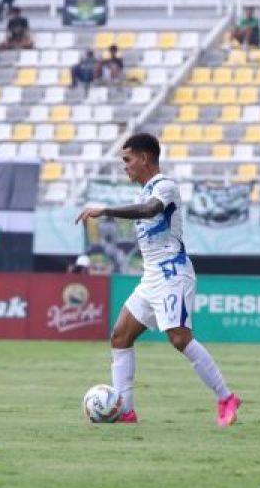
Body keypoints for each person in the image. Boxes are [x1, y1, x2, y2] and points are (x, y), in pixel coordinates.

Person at [75, 134, 241, 426]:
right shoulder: (143, 192)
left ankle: (226, 397)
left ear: (144, 158)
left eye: (127, 160)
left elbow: (151, 210)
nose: (124, 167)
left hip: (172, 273)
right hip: (152, 276)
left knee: (179, 338)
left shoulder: (165, 187)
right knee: (120, 336)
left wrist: (106, 210)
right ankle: (125, 411)